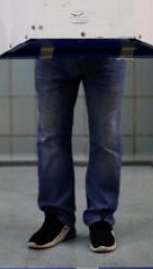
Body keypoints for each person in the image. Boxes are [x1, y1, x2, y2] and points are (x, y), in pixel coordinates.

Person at [27, 57, 127, 253]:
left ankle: (101, 220)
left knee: (106, 139)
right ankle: (57, 218)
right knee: (50, 138)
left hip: (106, 53)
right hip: (52, 53)